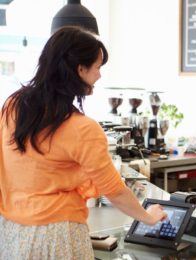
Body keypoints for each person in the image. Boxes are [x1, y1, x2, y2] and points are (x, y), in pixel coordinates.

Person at [0, 26, 167, 259]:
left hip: (11, 231)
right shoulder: (83, 128)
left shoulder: (12, 106)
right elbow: (115, 191)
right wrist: (148, 217)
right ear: (80, 69)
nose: (99, 75)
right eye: (97, 67)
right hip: (57, 235)